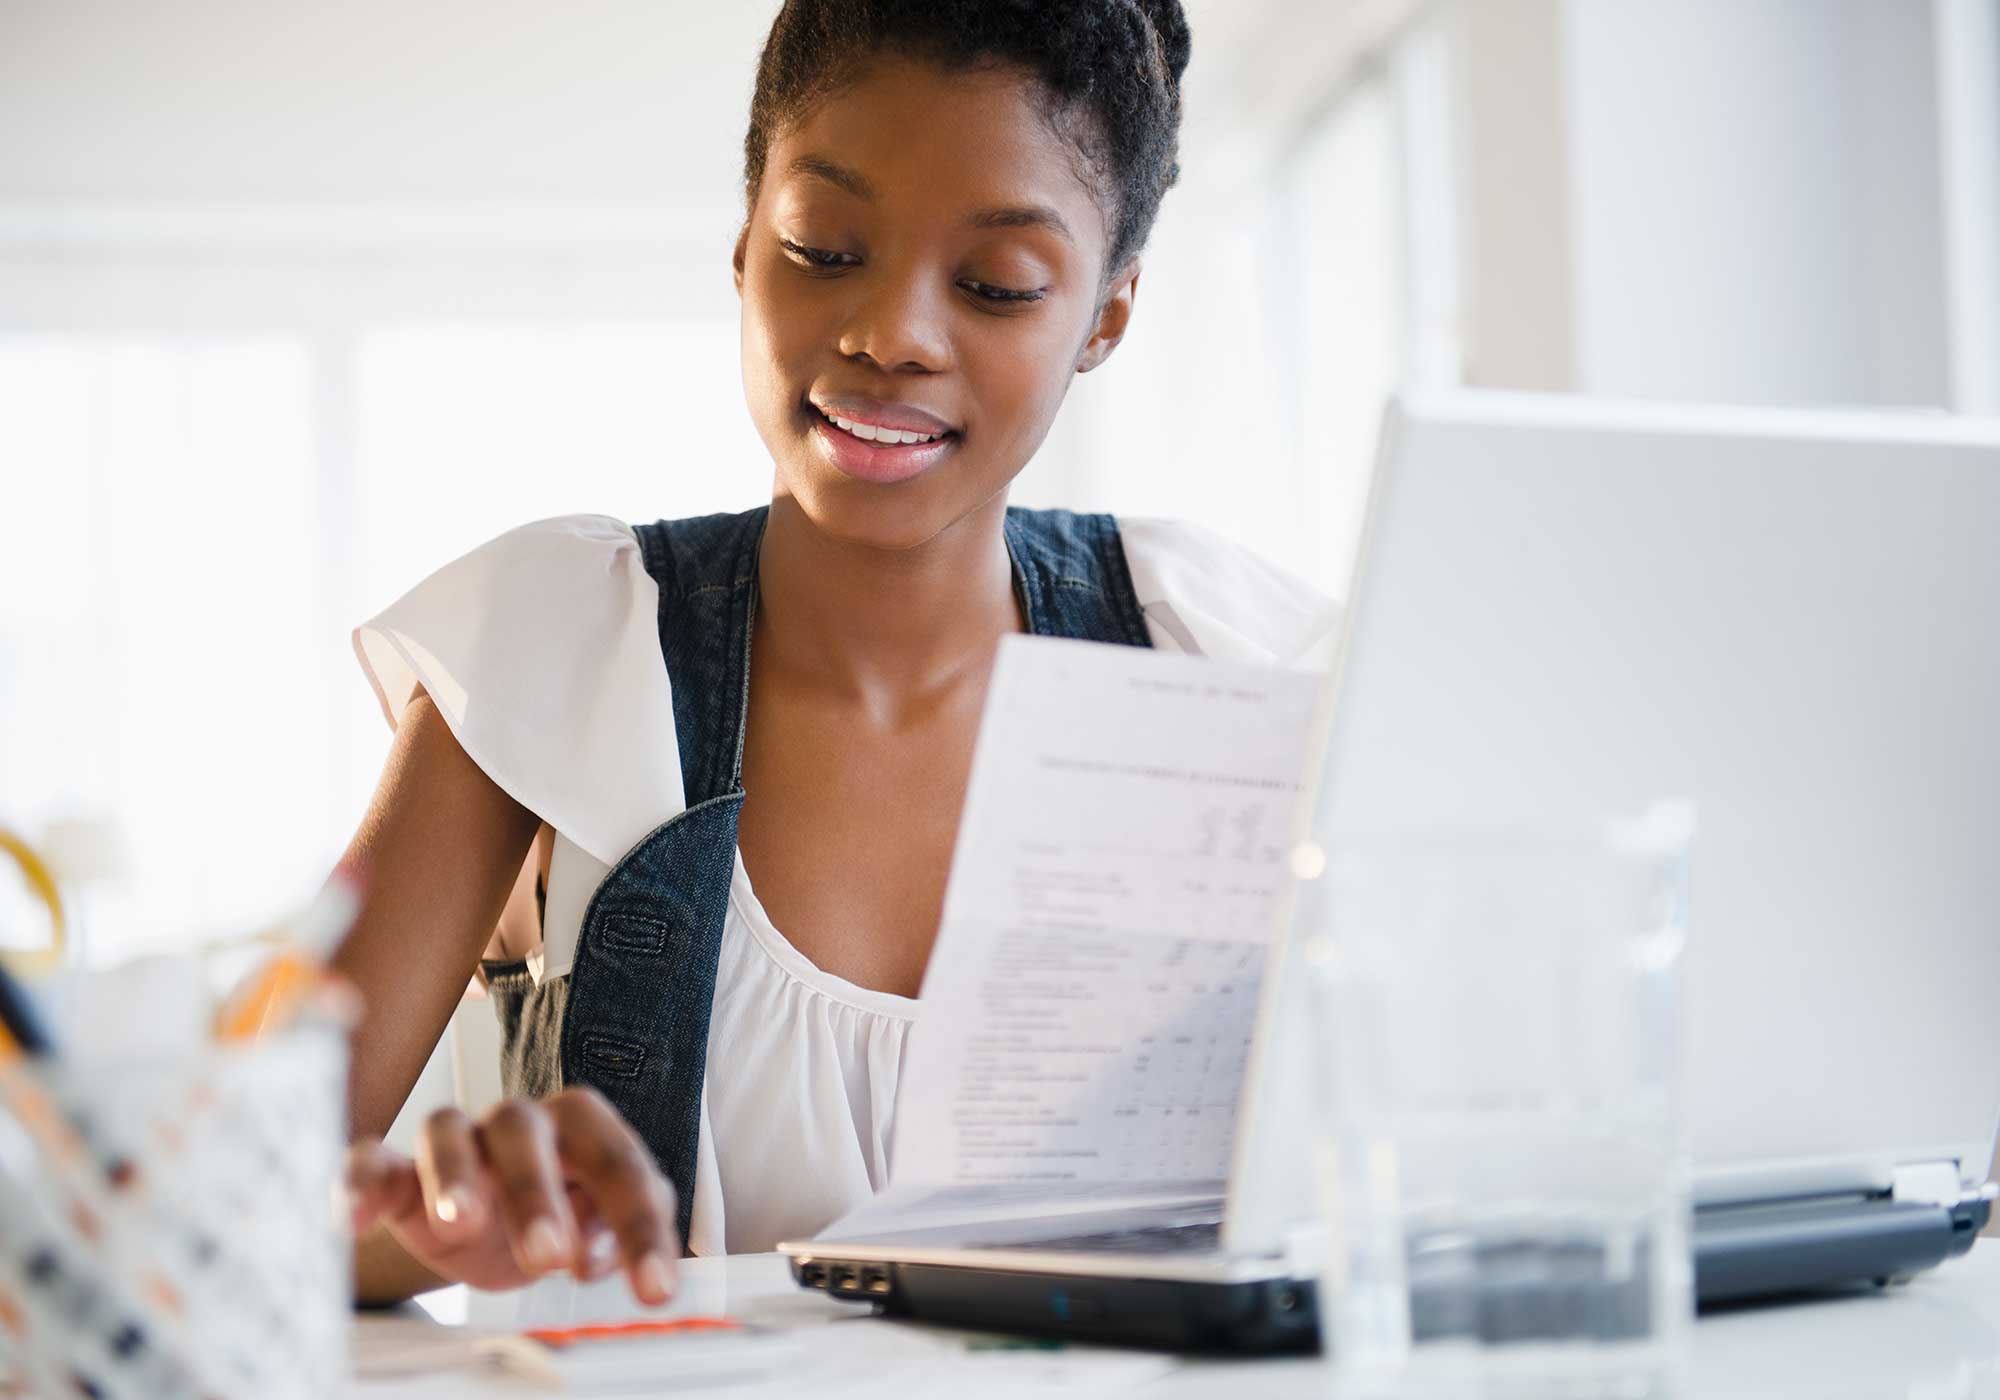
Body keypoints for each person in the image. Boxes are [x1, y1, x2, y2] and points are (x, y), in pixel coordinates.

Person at [335, 0, 1337, 1307]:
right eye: (824, 248)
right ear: (747, 243)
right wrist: (443, 1238)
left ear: (1104, 317)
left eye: (995, 285)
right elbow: (194, 1222)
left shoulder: (1218, 661)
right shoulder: (553, 655)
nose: (889, 334)